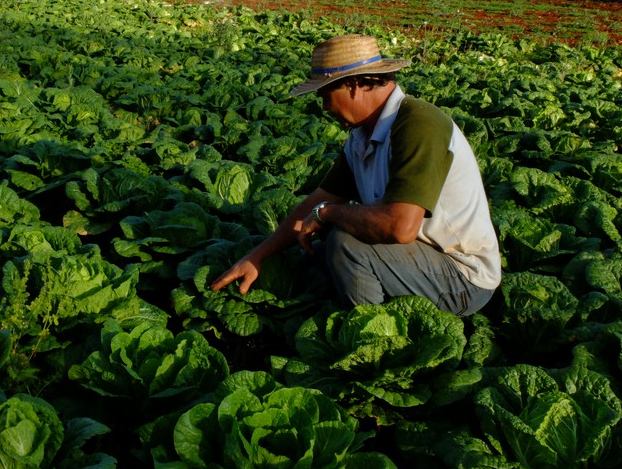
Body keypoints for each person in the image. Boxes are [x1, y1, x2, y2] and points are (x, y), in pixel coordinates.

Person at [209, 34, 501, 317]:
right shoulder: (362, 135)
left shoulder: (419, 125)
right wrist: (258, 256)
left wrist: (330, 214)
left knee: (345, 246)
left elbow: (400, 228)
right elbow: (317, 201)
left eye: (325, 95)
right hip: (414, 261)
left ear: (352, 85)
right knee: (310, 256)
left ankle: (370, 342)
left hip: (461, 278)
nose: (324, 108)